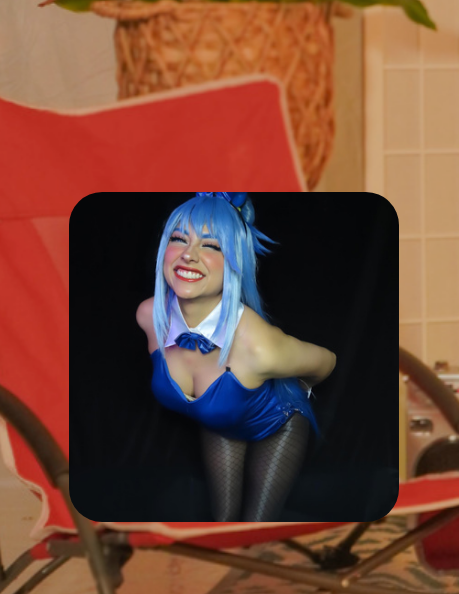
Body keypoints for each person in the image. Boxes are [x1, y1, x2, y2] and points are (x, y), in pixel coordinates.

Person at [132, 192, 336, 521]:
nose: (188, 255)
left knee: (256, 528)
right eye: (179, 239)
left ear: (234, 261)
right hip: (221, 421)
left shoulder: (260, 347)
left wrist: (298, 386)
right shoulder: (149, 316)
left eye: (211, 246)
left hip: (277, 423)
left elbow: (326, 361)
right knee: (223, 523)